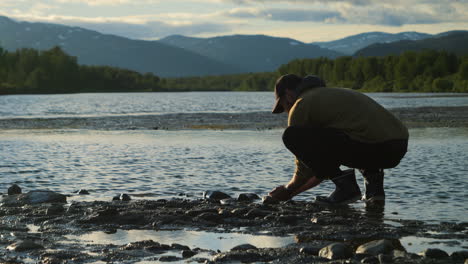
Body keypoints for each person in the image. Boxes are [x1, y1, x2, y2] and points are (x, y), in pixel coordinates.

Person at [268, 74, 408, 205]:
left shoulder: (301, 104)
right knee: (354, 132)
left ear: (288, 95)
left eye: (283, 106)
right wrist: (292, 194)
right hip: (398, 147)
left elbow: (306, 169)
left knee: (291, 136)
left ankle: (347, 190)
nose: (287, 111)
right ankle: (375, 193)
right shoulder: (337, 94)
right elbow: (321, 169)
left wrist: (288, 189)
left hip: (371, 148)